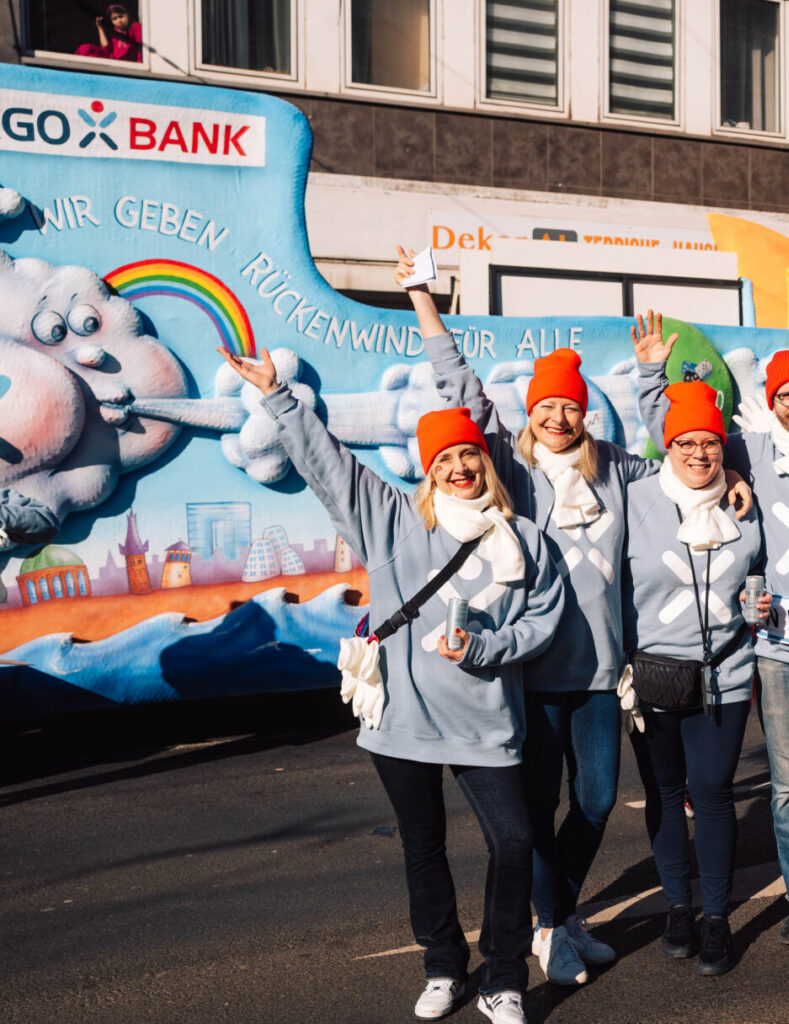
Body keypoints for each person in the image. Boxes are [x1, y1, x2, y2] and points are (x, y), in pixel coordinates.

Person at [399, 252, 746, 988]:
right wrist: (422, 296)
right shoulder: (512, 471)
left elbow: (687, 457)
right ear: (530, 411)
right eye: (546, 406)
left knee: (592, 803)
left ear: (585, 412)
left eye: (571, 406)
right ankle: (555, 926)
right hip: (526, 671)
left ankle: (555, 917)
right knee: (534, 808)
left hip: (598, 674)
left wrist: (725, 461)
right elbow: (457, 384)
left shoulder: (616, 469)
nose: (558, 417)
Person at [220, 346, 565, 1024]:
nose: (460, 468)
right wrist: (279, 397)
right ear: (430, 474)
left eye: (469, 456)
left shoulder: (525, 540)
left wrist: (486, 647)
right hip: (401, 723)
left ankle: (501, 978)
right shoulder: (393, 523)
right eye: (444, 461)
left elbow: (541, 623)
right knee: (422, 844)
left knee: (514, 841)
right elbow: (330, 467)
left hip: (485, 724)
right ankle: (442, 965)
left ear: (485, 464)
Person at [636, 322, 789, 951]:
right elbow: (679, 430)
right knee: (787, 785)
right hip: (775, 653)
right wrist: (650, 375)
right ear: (771, 401)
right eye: (787, 395)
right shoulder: (745, 451)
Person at [622, 379, 766, 978]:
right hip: (653, 674)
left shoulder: (744, 504)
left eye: (710, 443)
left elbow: (762, 573)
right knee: (662, 792)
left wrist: (762, 602)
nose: (699, 454)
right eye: (685, 443)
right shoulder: (635, 500)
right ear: (667, 446)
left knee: (710, 792)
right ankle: (676, 908)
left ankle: (715, 918)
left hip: (724, 673)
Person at [75, 5, 142, 61]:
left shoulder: (135, 27)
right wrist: (100, 28)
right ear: (112, 21)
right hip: (114, 61)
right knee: (85, 49)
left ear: (127, 15)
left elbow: (140, 48)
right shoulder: (115, 32)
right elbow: (106, 48)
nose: (119, 20)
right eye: (115, 19)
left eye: (121, 17)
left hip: (128, 63)